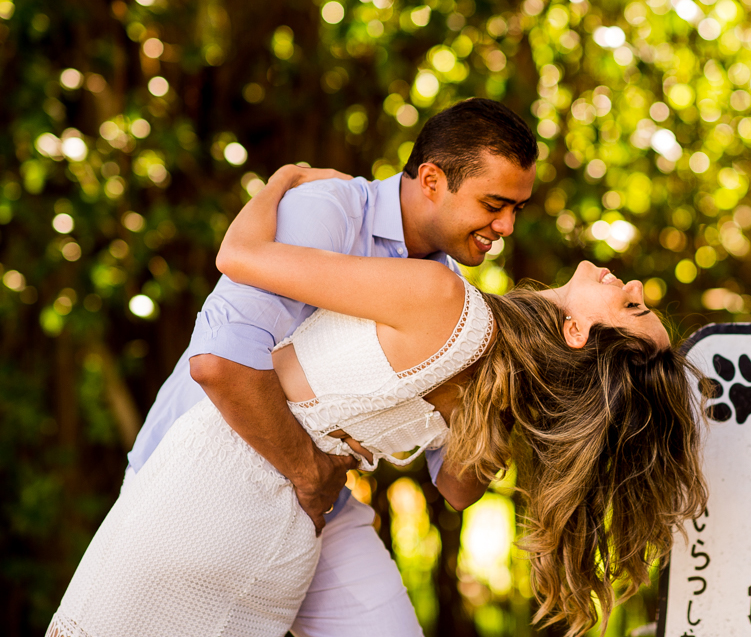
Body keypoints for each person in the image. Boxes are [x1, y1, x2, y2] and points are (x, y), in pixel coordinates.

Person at [49, 161, 708, 637]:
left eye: (631, 306)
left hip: (215, 485)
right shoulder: (493, 375)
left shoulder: (446, 303)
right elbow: (455, 486)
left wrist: (285, 181)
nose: (636, 283)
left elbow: (240, 254)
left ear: (575, 332)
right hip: (288, 530)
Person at [109, 98, 541, 637]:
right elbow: (218, 363)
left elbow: (456, 486)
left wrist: (510, 386)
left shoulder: (451, 297)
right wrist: (308, 472)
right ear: (431, 179)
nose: (505, 226)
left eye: (516, 209)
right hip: (202, 475)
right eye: (494, 203)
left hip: (316, 499)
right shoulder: (331, 209)